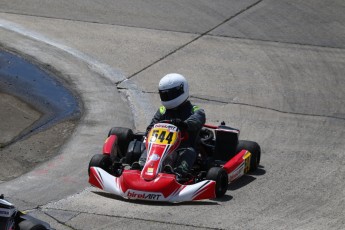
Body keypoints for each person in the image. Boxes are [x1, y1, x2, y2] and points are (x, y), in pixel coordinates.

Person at [133, 73, 206, 178]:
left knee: (190, 152)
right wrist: (149, 131)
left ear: (181, 90)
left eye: (170, 95)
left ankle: (179, 174)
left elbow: (197, 120)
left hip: (184, 146)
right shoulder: (163, 111)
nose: (167, 98)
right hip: (160, 145)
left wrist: (184, 125)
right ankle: (141, 167)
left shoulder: (195, 110)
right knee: (148, 148)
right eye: (165, 95)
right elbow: (152, 126)